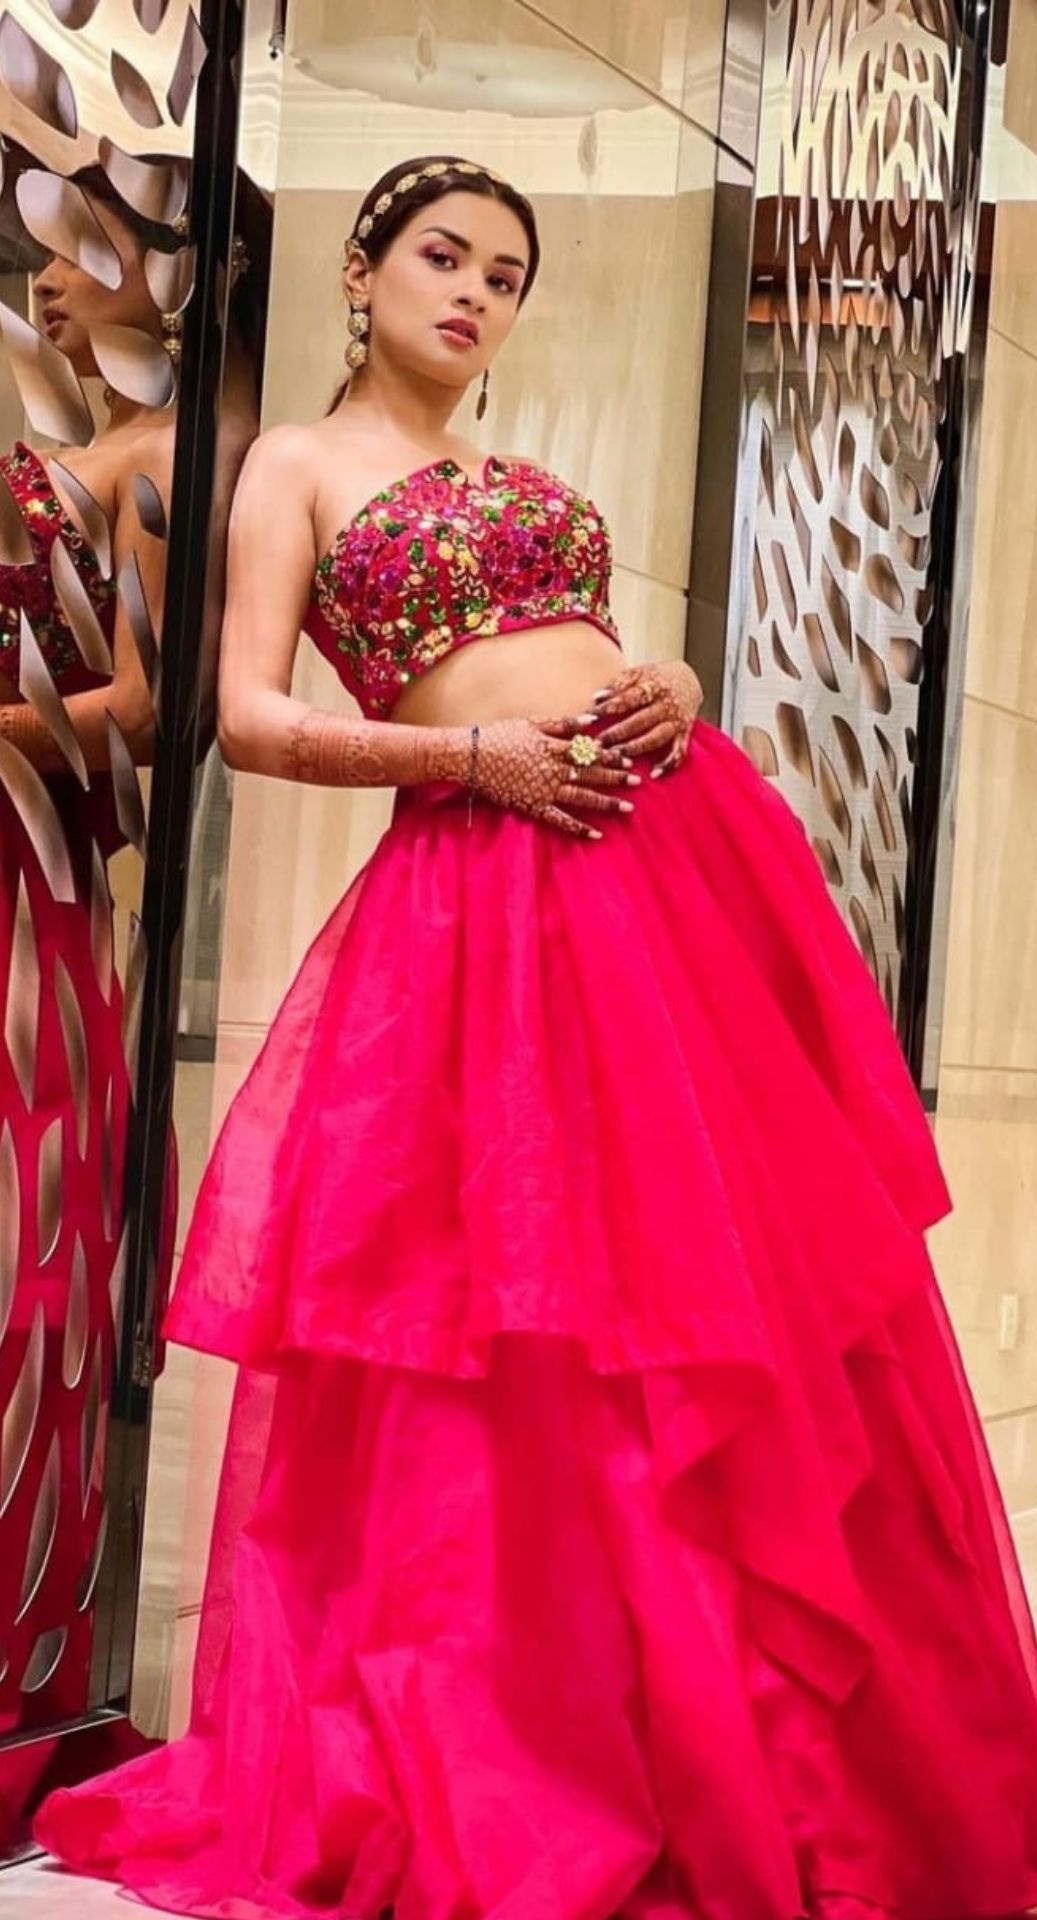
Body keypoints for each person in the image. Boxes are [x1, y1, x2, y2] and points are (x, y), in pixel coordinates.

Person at [32, 153, 1037, 1920]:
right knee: (509, 1321)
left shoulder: (519, 478)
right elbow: (252, 718)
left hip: (672, 874)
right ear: (362, 273)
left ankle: (750, 1742)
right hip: (482, 903)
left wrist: (674, 680)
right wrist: (471, 758)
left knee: (712, 1303)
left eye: (505, 276)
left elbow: (584, 648)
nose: (473, 294)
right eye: (444, 257)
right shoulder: (295, 467)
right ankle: (541, 1738)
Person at [0, 160, 260, 1844]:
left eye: (82, 245)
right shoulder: (95, 444)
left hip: (36, 888)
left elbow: (163, 713)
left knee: (27, 1261)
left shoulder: (171, 463)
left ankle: (26, 1670)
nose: (49, 277)